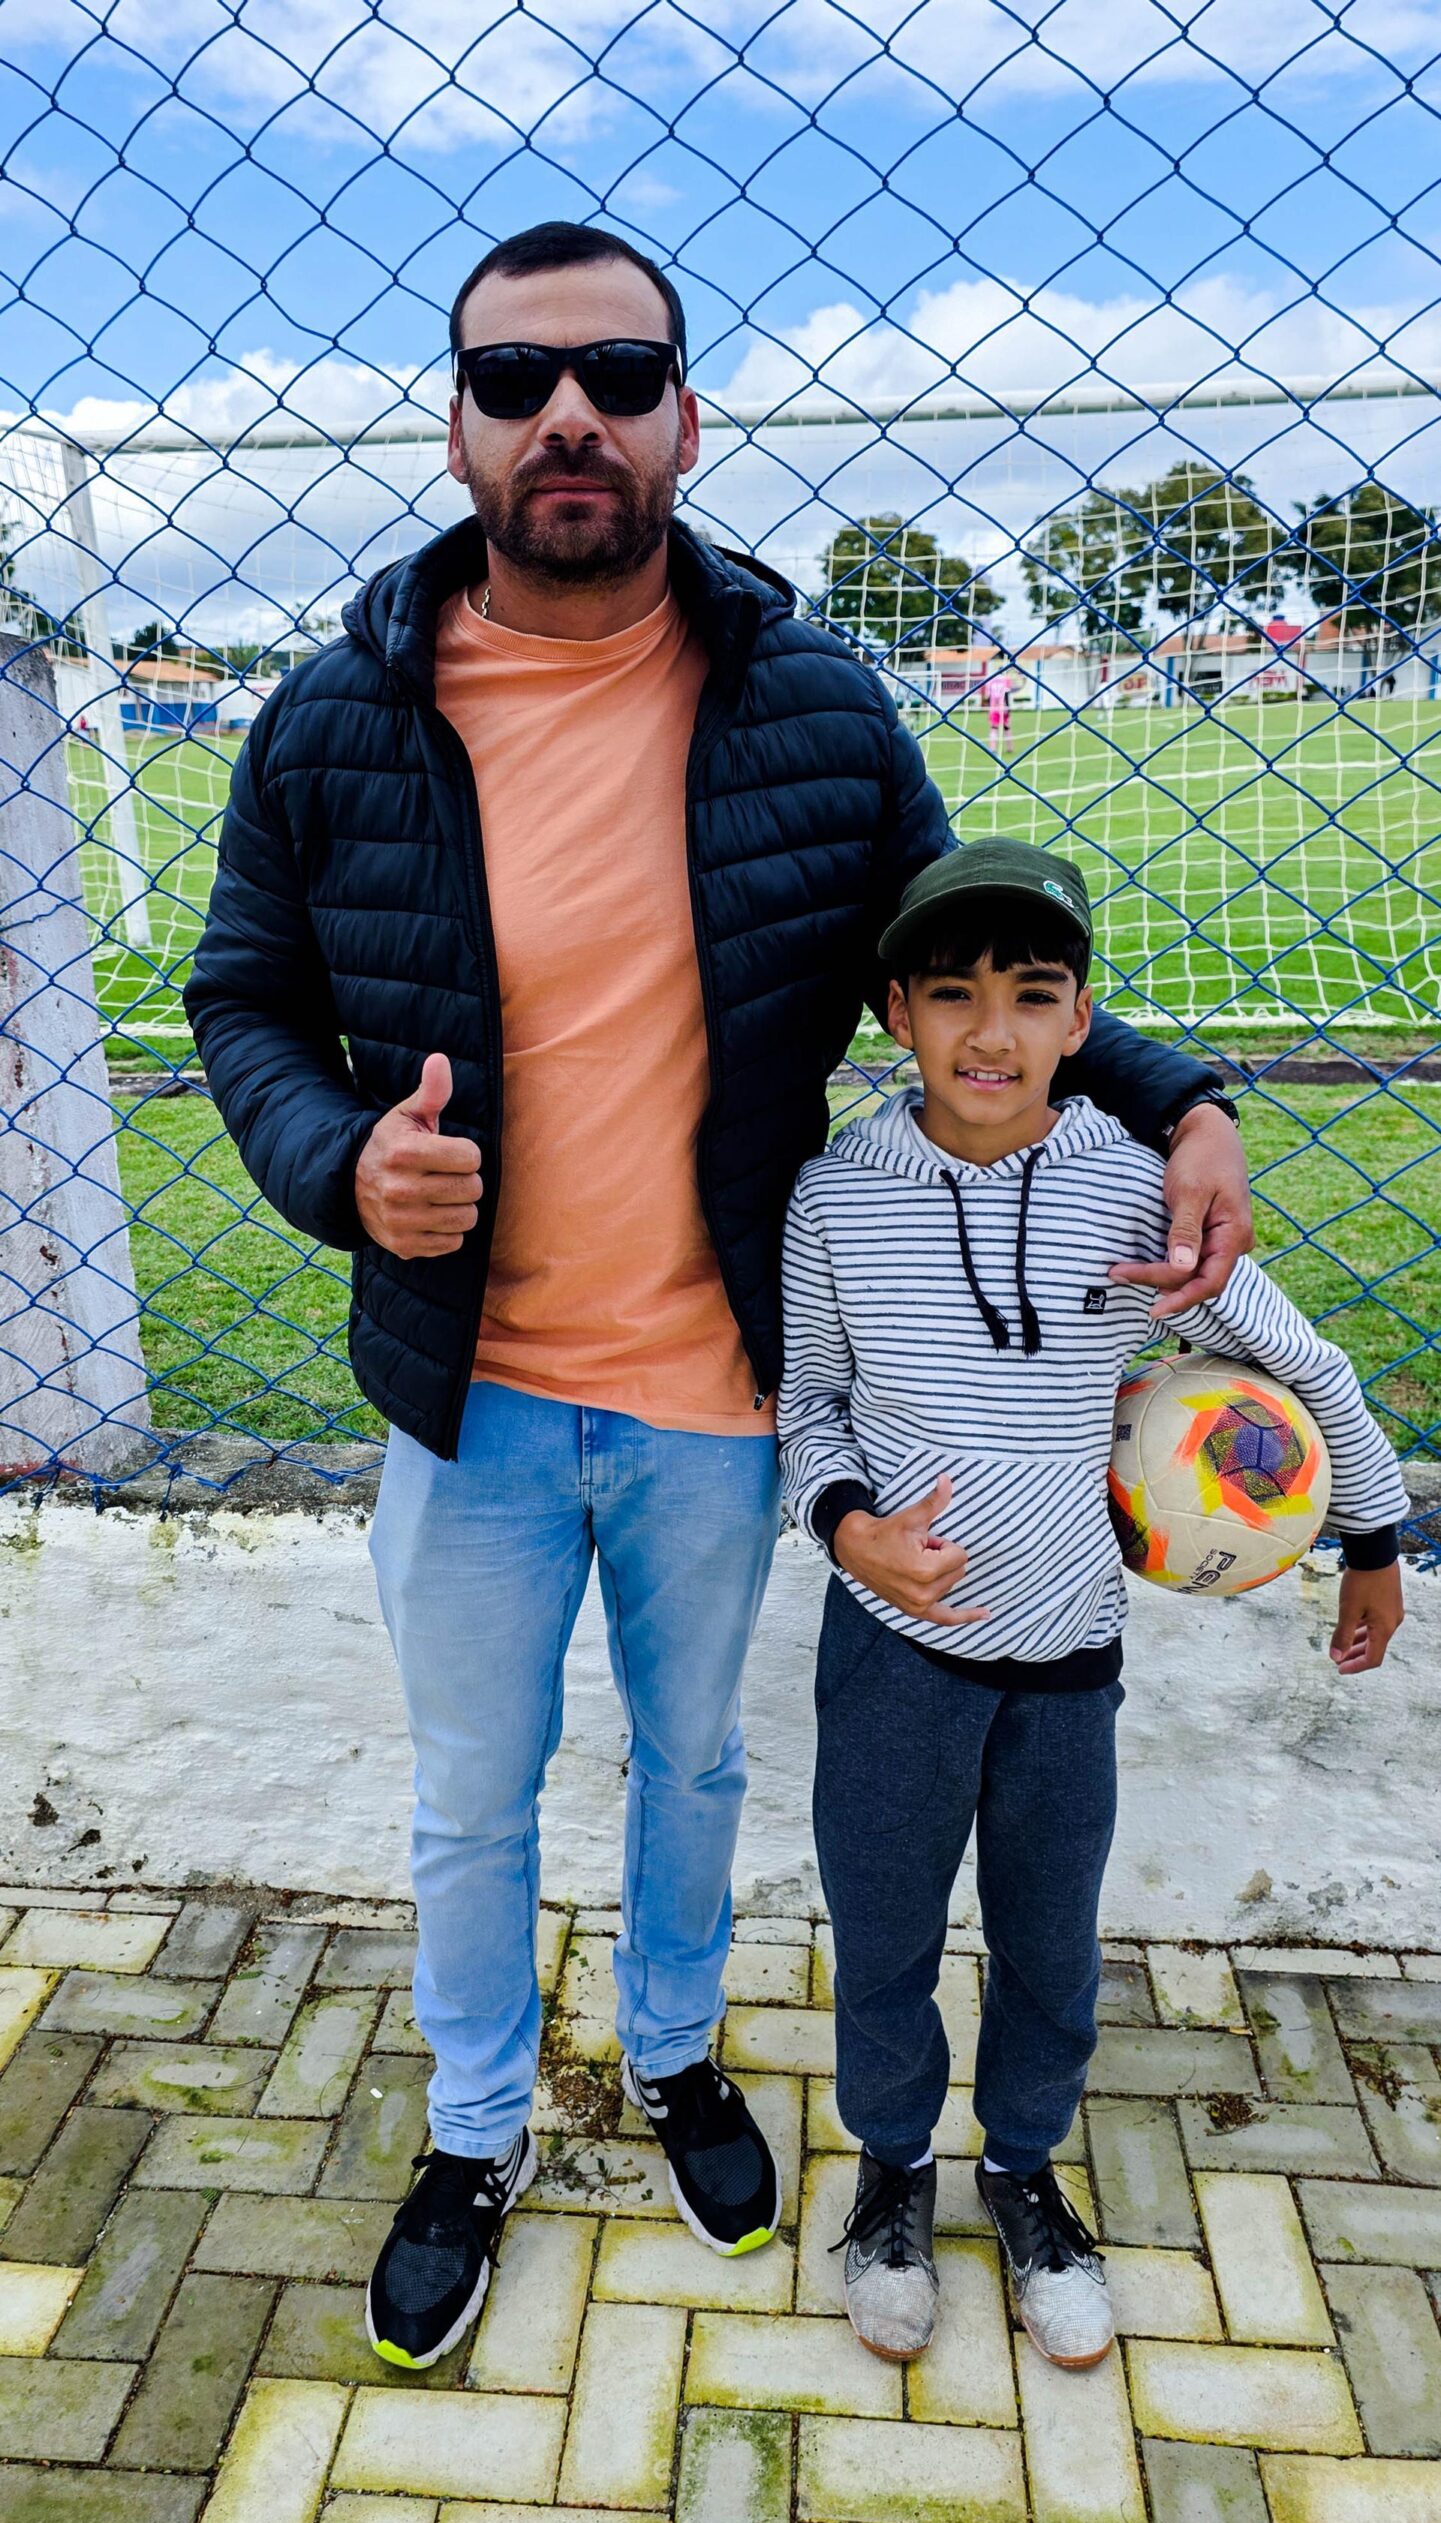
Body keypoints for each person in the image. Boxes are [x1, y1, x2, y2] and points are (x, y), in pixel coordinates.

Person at [184, 219, 1255, 2374]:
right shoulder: (333, 717)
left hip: (711, 1390)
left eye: (616, 372)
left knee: (689, 1766)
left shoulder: (815, 706)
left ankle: (674, 2055)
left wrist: (1178, 1096)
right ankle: (474, 2125)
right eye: (515, 381)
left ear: (685, 414)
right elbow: (245, 1000)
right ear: (459, 428)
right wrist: (341, 1163)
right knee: (471, 1798)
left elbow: (963, 962)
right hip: (466, 1393)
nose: (567, 415)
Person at [778, 835, 1407, 2367]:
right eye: (951, 994)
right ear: (894, 1014)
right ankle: (892, 2171)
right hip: (894, 1656)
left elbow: (1298, 1361)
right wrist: (850, 1530)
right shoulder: (833, 1199)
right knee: (884, 1937)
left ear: (1078, 1019)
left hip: (1067, 1658)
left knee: (1050, 1946)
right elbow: (806, 1406)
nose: (989, 1032)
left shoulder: (1133, 1193)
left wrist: (1375, 1535)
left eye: (1031, 993)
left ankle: (1021, 2171)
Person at [983, 661, 1016, 747]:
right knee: (1006, 727)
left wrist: (989, 707)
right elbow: (1006, 695)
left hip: (994, 707)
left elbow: (988, 696)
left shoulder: (991, 680)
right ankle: (1009, 747)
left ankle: (992, 747)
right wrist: (1008, 709)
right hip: (1003, 707)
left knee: (994, 727)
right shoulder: (1006, 680)